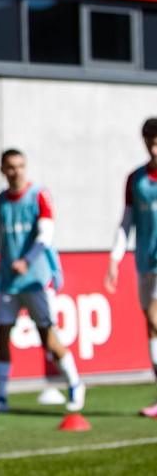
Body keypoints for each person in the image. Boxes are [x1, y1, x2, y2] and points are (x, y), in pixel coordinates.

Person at [0, 149, 84, 416]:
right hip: (7, 280)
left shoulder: (39, 194)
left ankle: (75, 383)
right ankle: (0, 396)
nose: (16, 171)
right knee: (1, 334)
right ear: (2, 170)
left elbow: (45, 235)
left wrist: (28, 260)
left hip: (35, 281)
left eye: (20, 166)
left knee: (47, 337)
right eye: (10, 167)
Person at [105, 117, 157, 417]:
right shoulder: (135, 179)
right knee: (150, 325)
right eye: (149, 139)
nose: (153, 145)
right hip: (144, 261)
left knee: (153, 316)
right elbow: (126, 222)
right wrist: (115, 257)